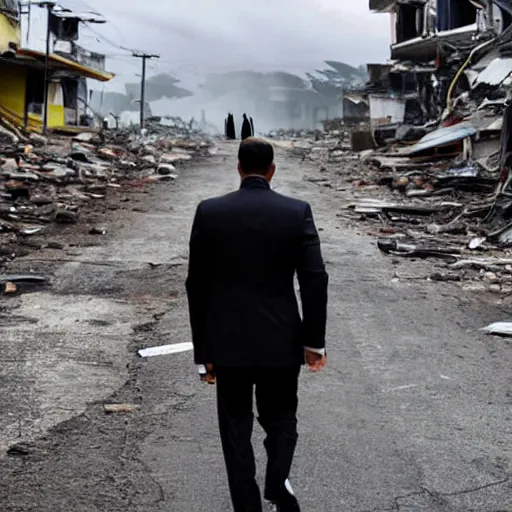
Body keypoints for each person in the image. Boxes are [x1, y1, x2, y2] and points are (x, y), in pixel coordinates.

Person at [186, 137, 328, 512]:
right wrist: (314, 341)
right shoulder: (296, 212)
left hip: (228, 343)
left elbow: (196, 285)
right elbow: (314, 278)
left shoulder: (210, 212)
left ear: (238, 168)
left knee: (235, 430)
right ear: (272, 170)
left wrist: (205, 353)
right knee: (281, 421)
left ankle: (246, 507)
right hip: (281, 341)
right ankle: (278, 484)